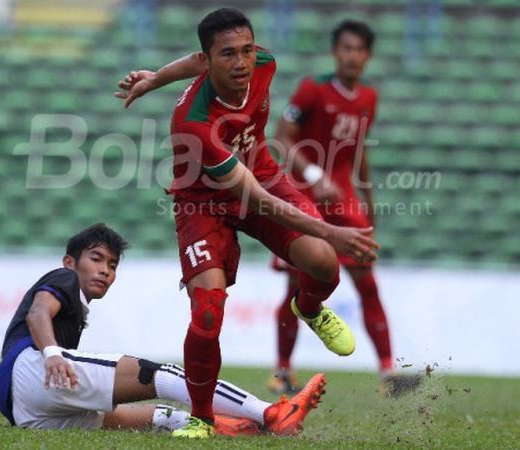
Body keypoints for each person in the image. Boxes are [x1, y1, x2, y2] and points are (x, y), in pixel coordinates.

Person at [115, 8, 380, 438]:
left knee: (323, 261)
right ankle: (201, 419)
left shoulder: (264, 63)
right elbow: (253, 198)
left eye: (246, 50)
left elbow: (194, 60)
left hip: (262, 168)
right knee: (207, 314)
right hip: (203, 202)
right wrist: (332, 228)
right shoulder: (193, 123)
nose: (241, 63)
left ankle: (308, 307)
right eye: (227, 55)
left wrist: (154, 78)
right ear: (209, 60)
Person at [0, 223, 326, 437]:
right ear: (70, 261)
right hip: (36, 370)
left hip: (28, 412)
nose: (104, 270)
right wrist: (52, 355)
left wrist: (24, 405)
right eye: (96, 258)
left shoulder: (73, 303)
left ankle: (251, 430)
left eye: (112, 265)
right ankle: (271, 413)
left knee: (151, 419)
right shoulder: (64, 278)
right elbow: (39, 312)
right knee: (160, 375)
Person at [267, 20, 414, 398]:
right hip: (304, 198)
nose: (352, 55)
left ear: (368, 56)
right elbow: (281, 138)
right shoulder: (312, 90)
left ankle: (388, 374)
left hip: (346, 202)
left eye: (359, 49)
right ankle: (282, 372)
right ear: (336, 52)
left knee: (368, 283)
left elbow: (359, 150)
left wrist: (368, 199)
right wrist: (315, 174)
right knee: (297, 286)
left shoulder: (368, 97)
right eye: (345, 48)